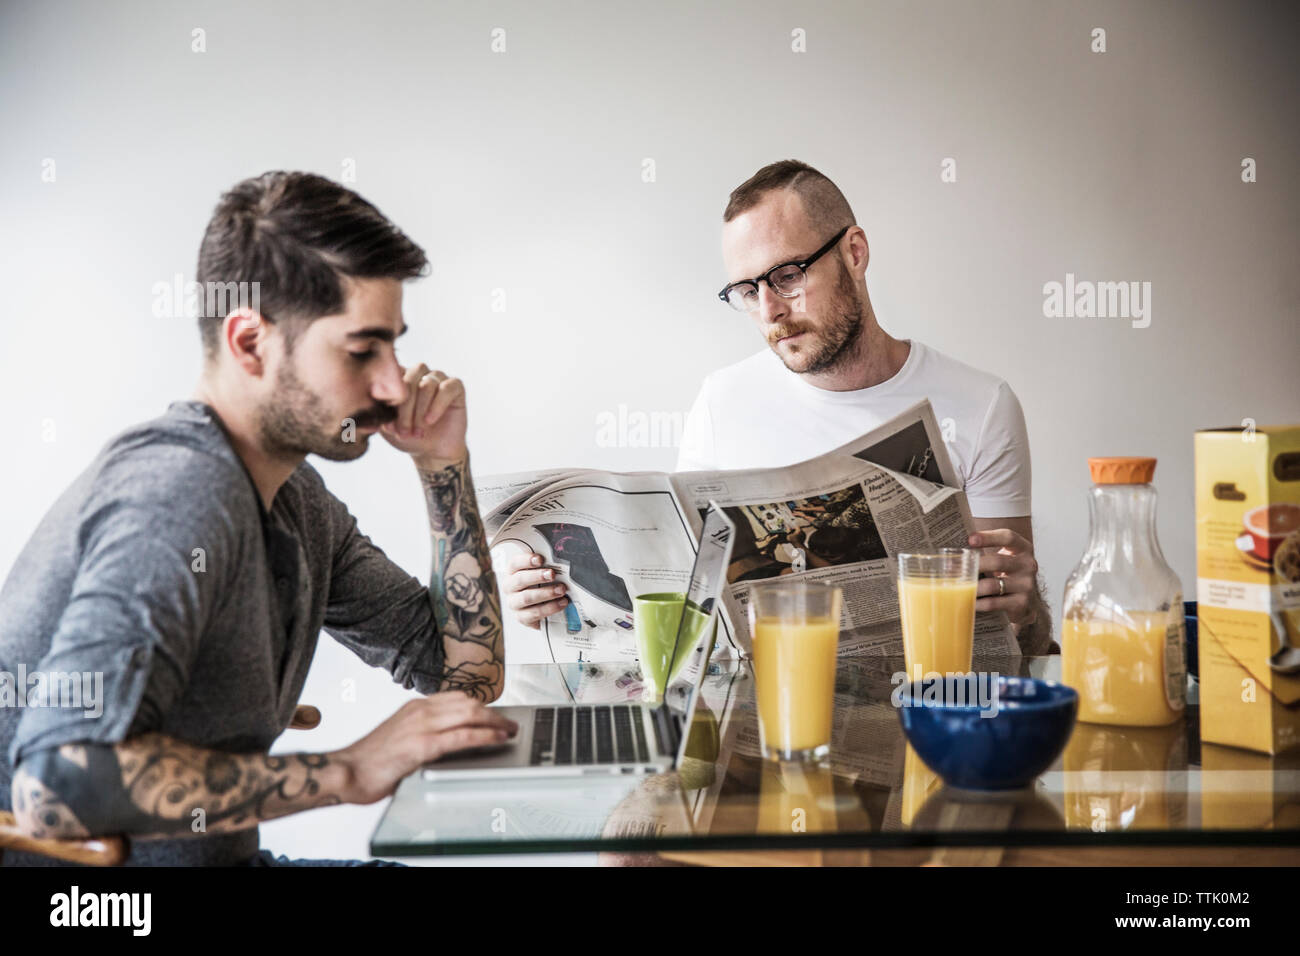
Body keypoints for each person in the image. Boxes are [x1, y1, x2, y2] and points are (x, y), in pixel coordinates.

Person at [0, 172, 515, 866]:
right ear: (250, 344)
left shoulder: (298, 500)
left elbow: (465, 678)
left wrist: (442, 466)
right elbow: (53, 785)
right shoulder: (179, 494)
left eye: (394, 346)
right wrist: (349, 772)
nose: (395, 383)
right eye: (363, 350)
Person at [505, 160, 1051, 654]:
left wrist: (1023, 604)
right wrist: (557, 600)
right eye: (746, 290)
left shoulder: (979, 405)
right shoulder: (723, 402)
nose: (770, 311)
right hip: (771, 726)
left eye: (787, 276)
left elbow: (1015, 638)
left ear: (854, 253)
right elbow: (691, 614)